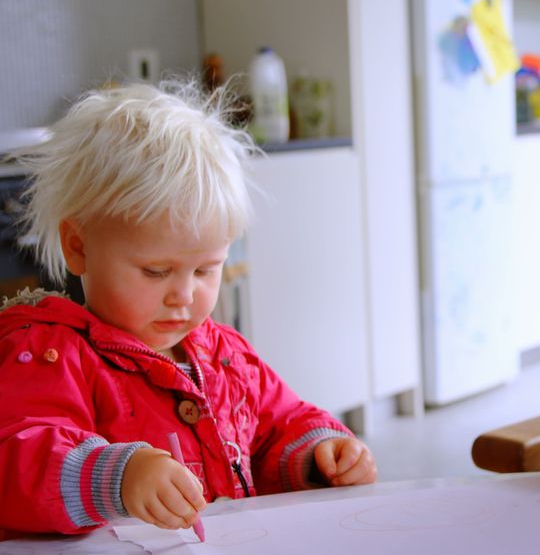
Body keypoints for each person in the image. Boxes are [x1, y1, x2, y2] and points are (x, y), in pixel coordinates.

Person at [0, 82, 377, 536]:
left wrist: (320, 456)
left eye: (205, 271)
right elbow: (16, 460)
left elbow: (279, 427)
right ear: (78, 247)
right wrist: (117, 477)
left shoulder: (226, 355)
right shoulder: (46, 354)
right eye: (157, 271)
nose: (183, 295)